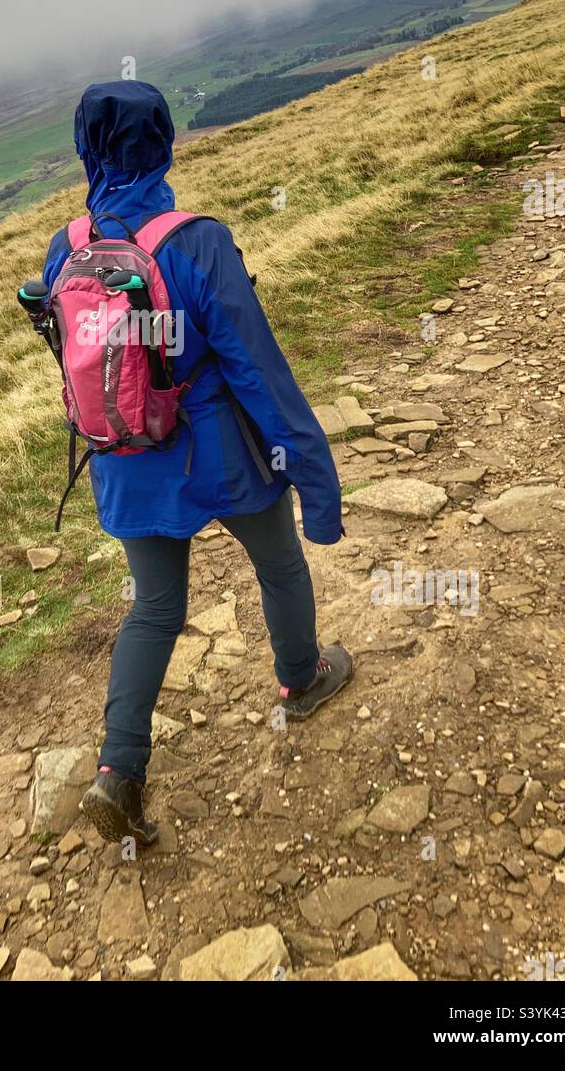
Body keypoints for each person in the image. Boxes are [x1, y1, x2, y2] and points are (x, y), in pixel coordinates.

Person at [38, 80, 352, 845]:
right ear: (167, 141)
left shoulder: (65, 247)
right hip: (219, 456)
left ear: (85, 149)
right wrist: (316, 484)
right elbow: (259, 373)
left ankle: (118, 774)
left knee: (153, 608)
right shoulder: (197, 241)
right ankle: (302, 678)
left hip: (126, 456)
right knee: (277, 564)